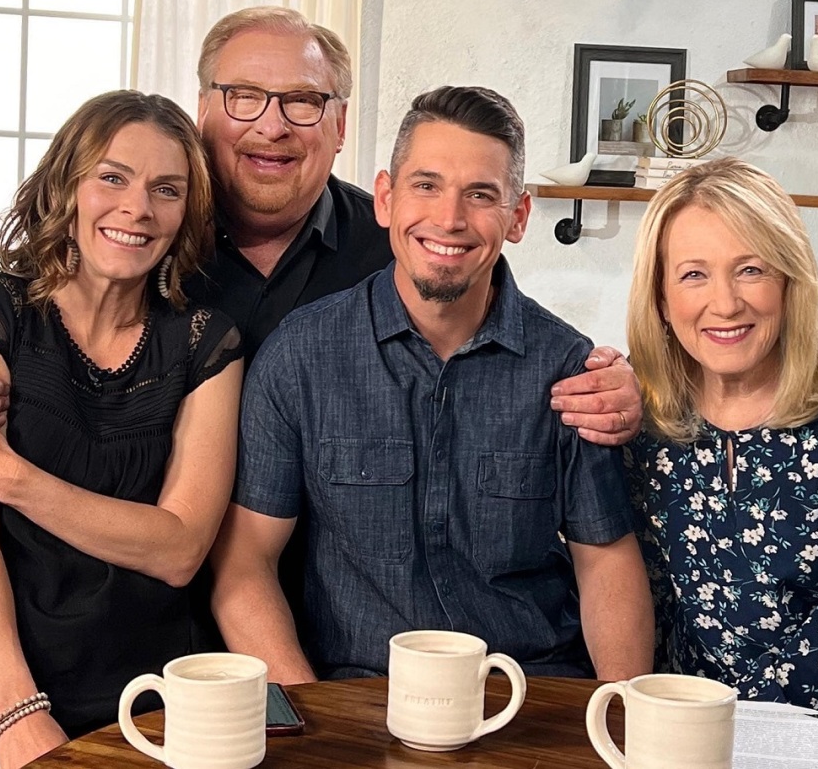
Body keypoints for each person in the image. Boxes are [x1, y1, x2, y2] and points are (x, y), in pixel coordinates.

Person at [210, 85, 654, 685]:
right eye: (426, 185)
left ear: (517, 218)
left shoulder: (571, 371)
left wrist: (617, 722)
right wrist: (310, 723)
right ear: (386, 199)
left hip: (535, 692)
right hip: (362, 700)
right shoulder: (301, 356)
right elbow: (244, 567)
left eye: (480, 195)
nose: (449, 219)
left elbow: (605, 563)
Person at [185, 5, 642, 442]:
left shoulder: (408, 244)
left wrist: (608, 388)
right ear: (202, 110)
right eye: (243, 96)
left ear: (340, 124)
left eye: (303, 101)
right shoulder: (148, 239)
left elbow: (506, 347)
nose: (272, 126)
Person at [0, 91, 243, 769]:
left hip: (159, 694)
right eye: (112, 177)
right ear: (66, 185)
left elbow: (180, 548)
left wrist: (10, 476)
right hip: (9, 688)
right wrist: (14, 710)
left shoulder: (205, 344)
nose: (137, 208)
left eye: (167, 189)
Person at [625, 157, 818, 719]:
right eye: (693, 274)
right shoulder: (635, 413)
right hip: (677, 731)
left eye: (751, 270)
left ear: (791, 280)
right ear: (662, 300)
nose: (724, 304)